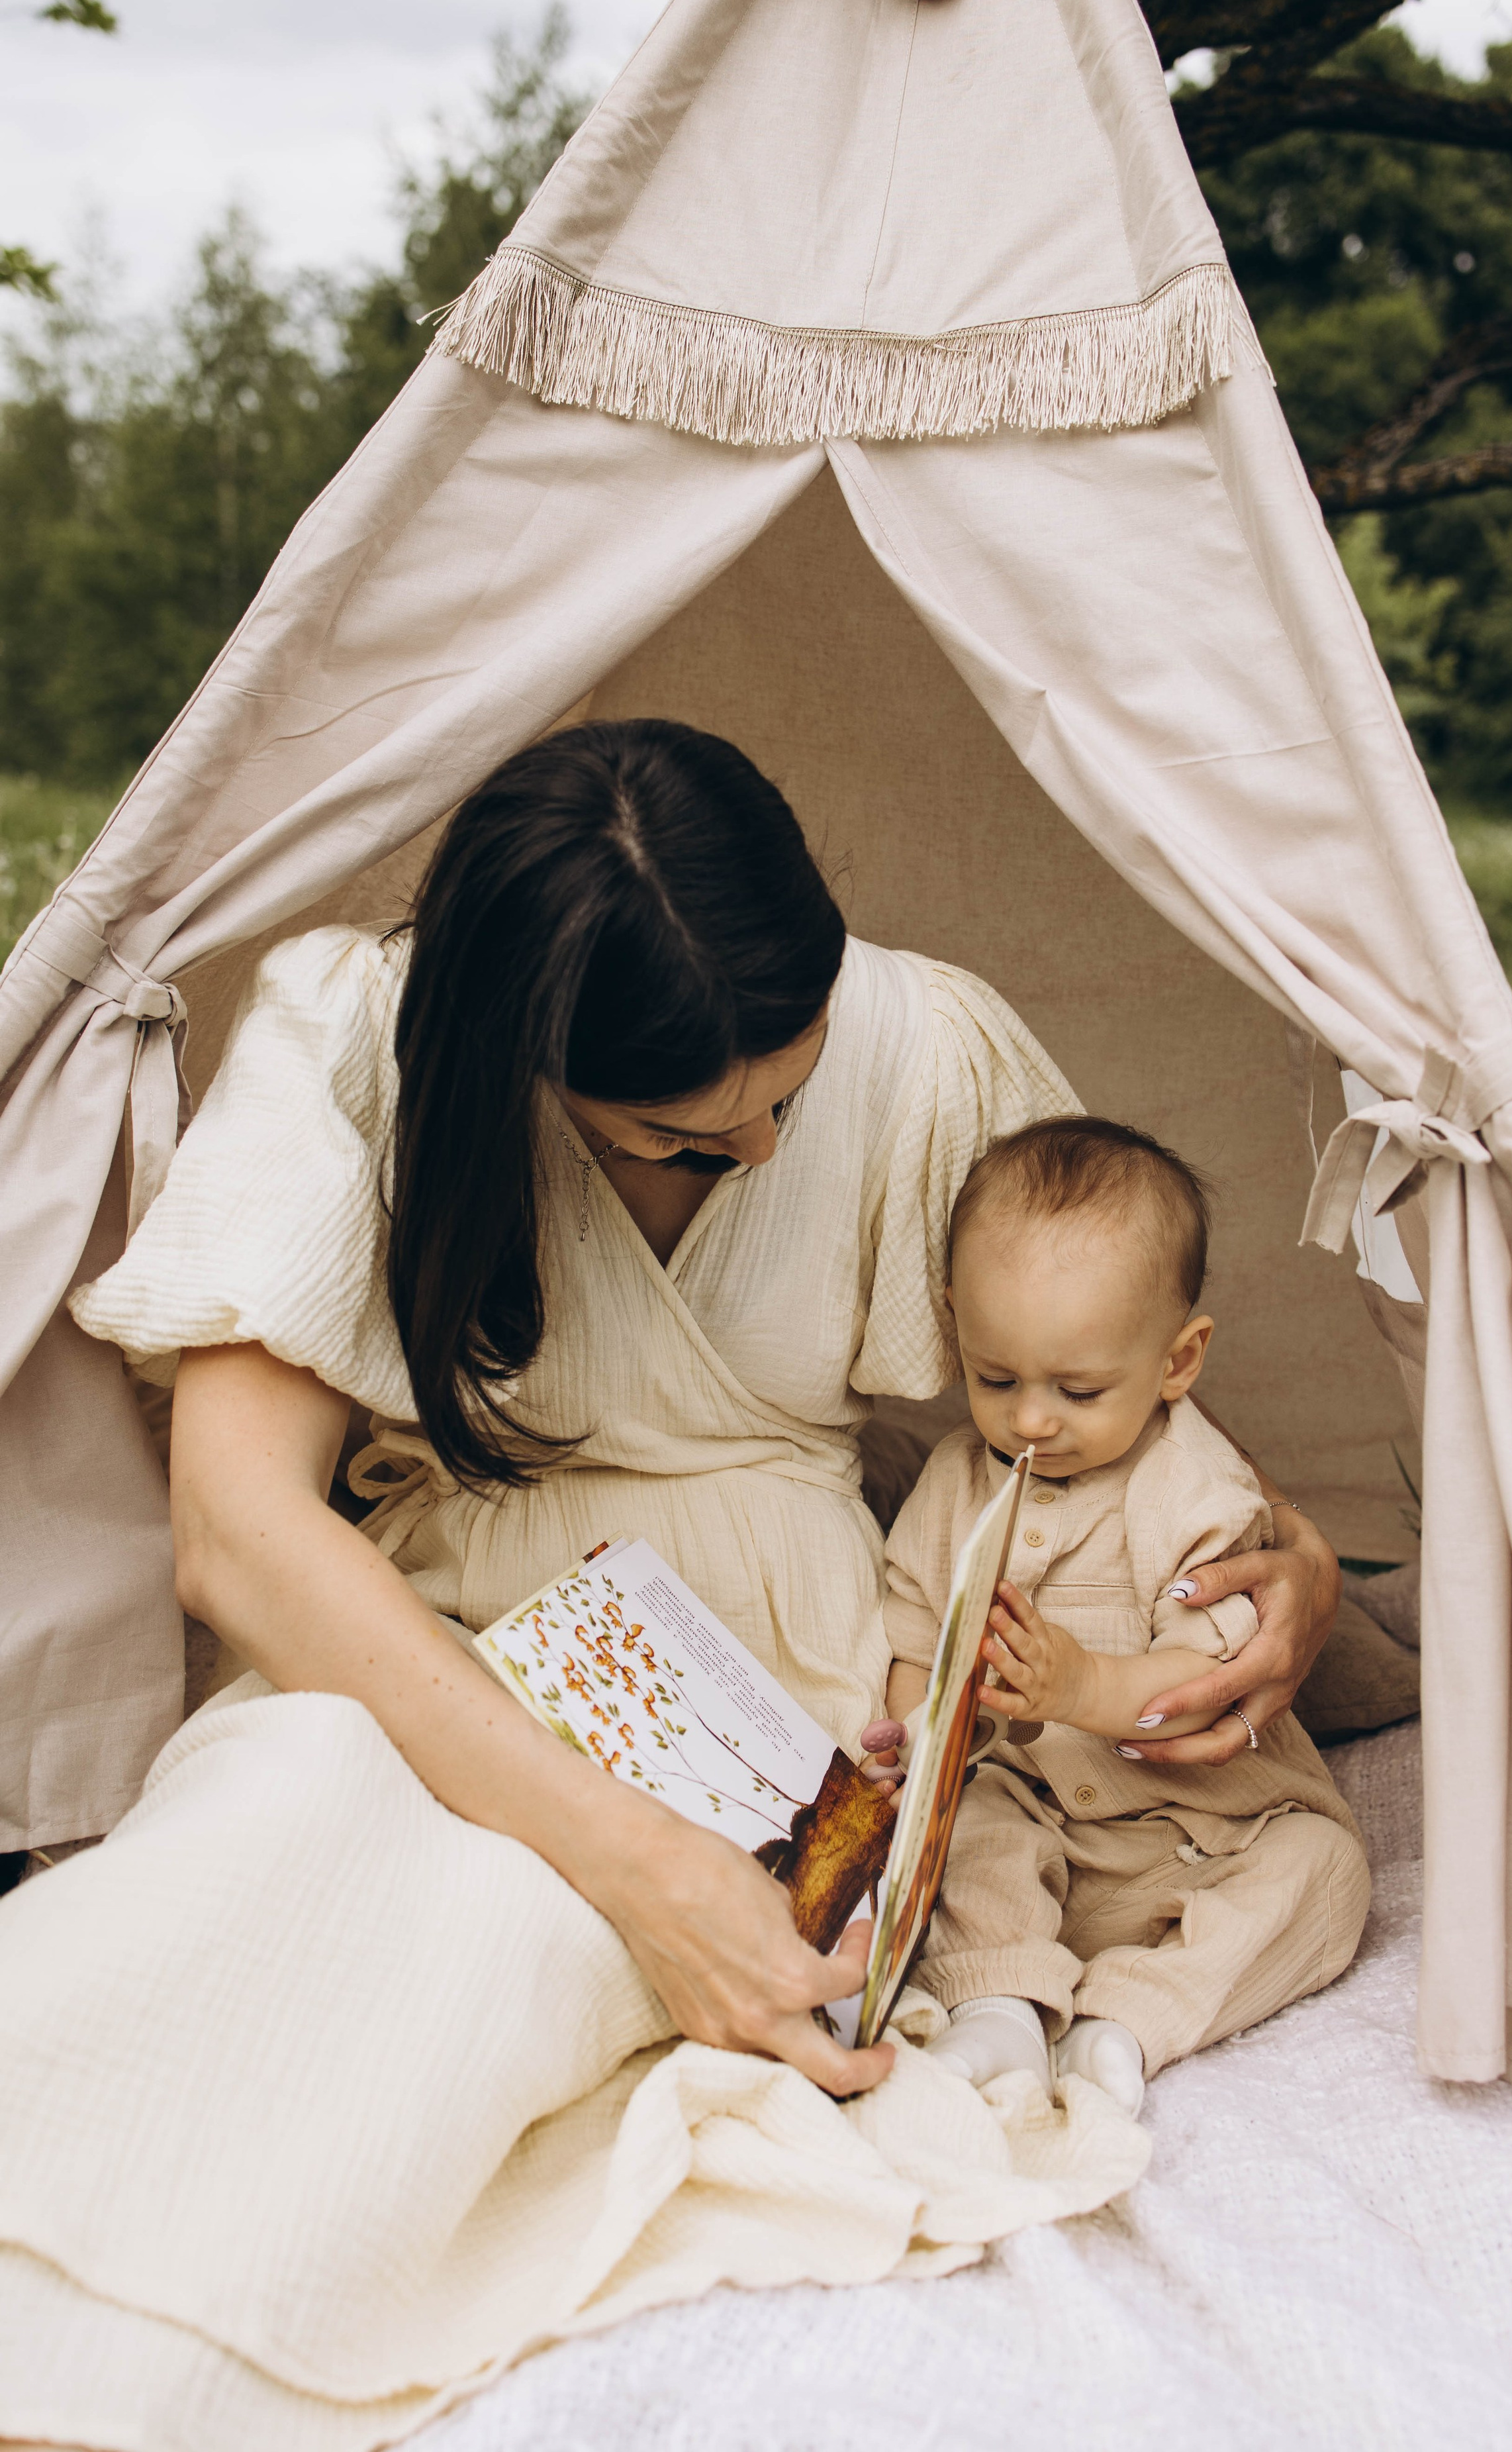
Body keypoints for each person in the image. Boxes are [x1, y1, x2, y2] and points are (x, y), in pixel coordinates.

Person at [0, 724, 1343, 2447]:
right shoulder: (355, 1037)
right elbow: (240, 1531)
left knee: (491, 1961)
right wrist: (630, 1860)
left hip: (771, 1678)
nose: (768, 1149)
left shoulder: (922, 1041)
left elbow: (1115, 1379)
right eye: (695, 1138)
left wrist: (1297, 1568)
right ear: (521, 1066)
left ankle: (175, 2369)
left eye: (792, 1093)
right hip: (403, 1647)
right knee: (255, 1847)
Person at [865, 1116, 1370, 2114]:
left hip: (1207, 1834)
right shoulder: (955, 1485)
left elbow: (1210, 1681)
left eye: (1079, 1389)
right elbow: (916, 1639)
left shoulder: (1198, 1490)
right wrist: (918, 1739)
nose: (1030, 1419)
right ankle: (1000, 2001)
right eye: (995, 1378)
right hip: (1035, 1834)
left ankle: (1129, 2022)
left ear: (1178, 1361)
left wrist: (1085, 1686)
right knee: (968, 1824)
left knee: (1327, 1871)